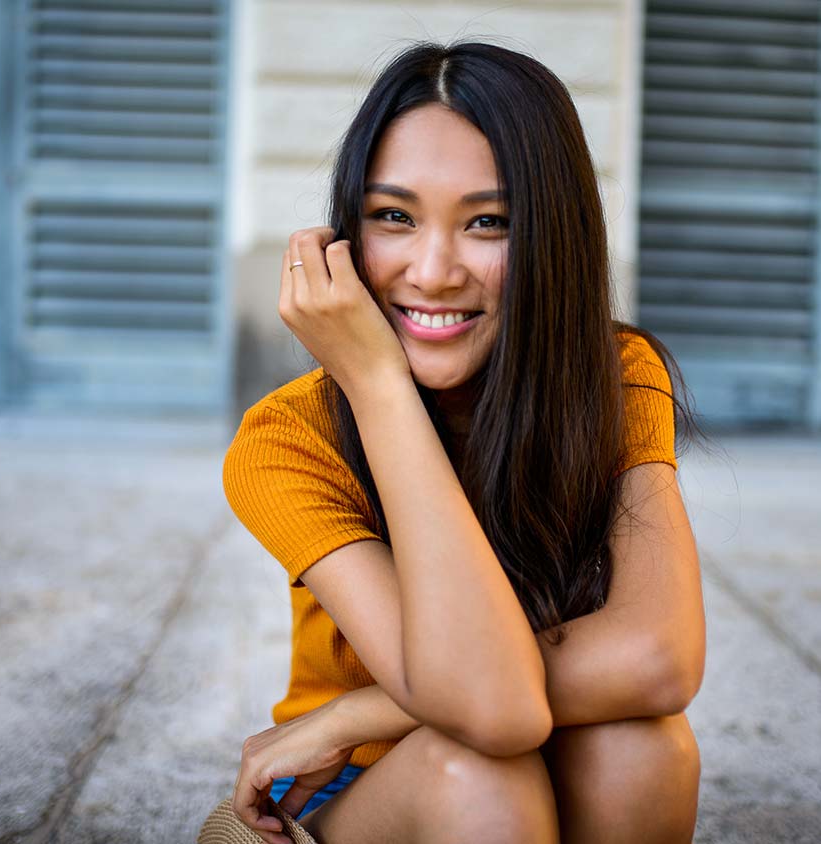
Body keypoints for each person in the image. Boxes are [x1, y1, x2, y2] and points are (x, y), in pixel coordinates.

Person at [222, 40, 706, 843]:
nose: (435, 270)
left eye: (489, 222)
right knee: (476, 771)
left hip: (494, 736)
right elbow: (492, 711)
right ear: (346, 234)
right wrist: (378, 387)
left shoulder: (616, 376)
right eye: (394, 217)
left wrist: (355, 708)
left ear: (554, 237)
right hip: (363, 783)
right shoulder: (287, 436)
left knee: (644, 745)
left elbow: (659, 660)